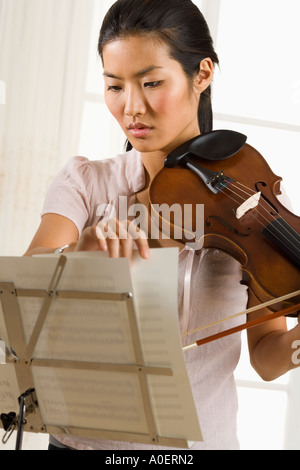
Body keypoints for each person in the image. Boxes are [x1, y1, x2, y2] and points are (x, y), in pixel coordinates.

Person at [25, 0, 300, 450]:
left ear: (203, 74)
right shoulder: (88, 183)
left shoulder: (257, 203)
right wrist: (81, 255)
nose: (132, 107)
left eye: (152, 82)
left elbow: (268, 359)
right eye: (114, 86)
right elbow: (29, 277)